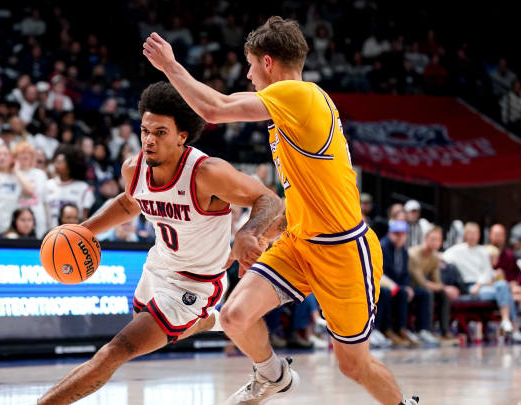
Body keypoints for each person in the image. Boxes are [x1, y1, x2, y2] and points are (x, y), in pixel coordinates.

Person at [143, 17, 418, 405]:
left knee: (353, 365)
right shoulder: (291, 112)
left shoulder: (297, 95)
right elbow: (305, 191)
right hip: (300, 242)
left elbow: (216, 108)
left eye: (252, 66)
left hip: (343, 251)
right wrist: (263, 231)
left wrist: (169, 65)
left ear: (268, 62)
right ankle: (273, 377)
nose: (250, 76)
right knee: (236, 316)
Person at [37, 82, 283, 404]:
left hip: (195, 284)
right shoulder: (134, 168)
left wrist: (248, 232)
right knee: (155, 332)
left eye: (161, 132)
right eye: (145, 130)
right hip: (156, 269)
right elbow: (130, 202)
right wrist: (85, 230)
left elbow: (269, 201)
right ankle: (212, 321)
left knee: (116, 351)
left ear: (182, 136)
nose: (149, 140)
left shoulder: (206, 173)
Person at [443, 222, 521, 341]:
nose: (472, 236)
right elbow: (442, 257)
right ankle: (513, 326)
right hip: (469, 286)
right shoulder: (455, 251)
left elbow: (487, 271)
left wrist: (481, 283)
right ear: (465, 235)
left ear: (479, 235)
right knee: (506, 292)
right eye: (469, 233)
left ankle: (506, 321)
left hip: (483, 285)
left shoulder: (482, 250)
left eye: (475, 233)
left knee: (503, 285)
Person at [380, 219, 436, 346]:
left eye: (402, 234)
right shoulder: (383, 247)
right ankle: (391, 329)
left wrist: (406, 286)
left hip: (399, 286)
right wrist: (401, 287)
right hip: (385, 285)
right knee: (397, 293)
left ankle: (423, 329)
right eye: (396, 234)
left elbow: (405, 274)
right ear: (390, 233)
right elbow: (382, 273)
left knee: (424, 293)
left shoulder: (404, 251)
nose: (400, 237)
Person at [408, 226, 460, 342]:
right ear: (425, 239)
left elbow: (437, 282)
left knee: (442, 294)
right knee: (428, 293)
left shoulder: (435, 258)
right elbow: (420, 281)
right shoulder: (414, 254)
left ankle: (445, 330)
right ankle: (426, 330)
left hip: (423, 287)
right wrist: (445, 288)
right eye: (432, 239)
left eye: (438, 240)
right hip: (410, 286)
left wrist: (444, 289)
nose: (435, 242)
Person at [0, 145, 32, 236]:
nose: (2, 157)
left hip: (10, 231)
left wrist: (16, 171)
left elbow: (30, 192)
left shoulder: (16, 177)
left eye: (5, 154)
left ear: (11, 158)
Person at [45, 145, 95, 230]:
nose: (55, 165)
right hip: (50, 233)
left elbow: (84, 217)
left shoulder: (83, 188)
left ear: (70, 165)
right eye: (55, 161)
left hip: (73, 234)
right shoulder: (47, 185)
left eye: (60, 162)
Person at [13, 142, 49, 238]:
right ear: (15, 157)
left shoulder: (40, 174)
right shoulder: (12, 175)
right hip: (18, 222)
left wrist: (49, 224)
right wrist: (16, 171)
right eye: (22, 153)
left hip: (38, 219)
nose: (25, 155)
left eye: (28, 153)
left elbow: (45, 202)